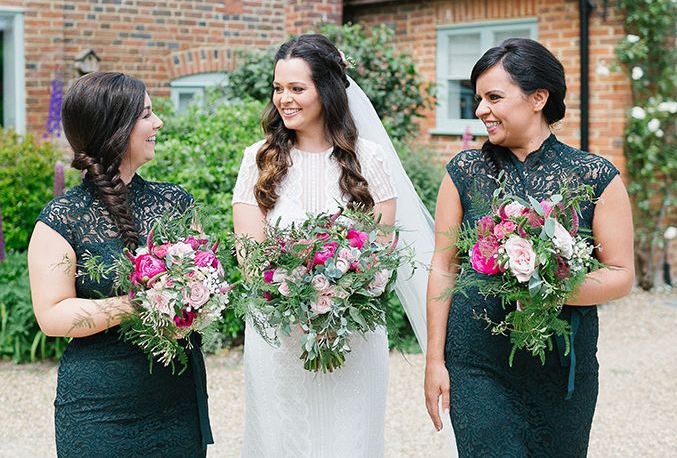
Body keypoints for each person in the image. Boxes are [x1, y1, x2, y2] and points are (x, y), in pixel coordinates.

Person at [424, 38, 634, 458]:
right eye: (478, 98)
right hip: (477, 362)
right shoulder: (463, 172)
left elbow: (621, 274)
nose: (481, 109)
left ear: (539, 98)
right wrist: (434, 361)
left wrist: (543, 286)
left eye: (494, 97)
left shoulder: (594, 176)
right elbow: (443, 267)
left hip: (561, 369)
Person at [232, 34, 402, 458]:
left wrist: (336, 297)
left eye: (296, 88)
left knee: (349, 440)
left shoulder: (370, 159)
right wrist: (297, 296)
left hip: (351, 334)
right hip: (277, 334)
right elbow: (250, 259)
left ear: (326, 90)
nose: (283, 99)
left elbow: (379, 256)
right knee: (280, 439)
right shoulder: (259, 159)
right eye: (277, 88)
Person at [28, 71, 213, 458]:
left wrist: (197, 299)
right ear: (116, 128)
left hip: (176, 400)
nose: (158, 122)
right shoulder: (62, 219)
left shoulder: (176, 204)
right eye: (146, 115)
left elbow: (207, 280)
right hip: (99, 409)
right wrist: (139, 302)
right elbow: (53, 315)